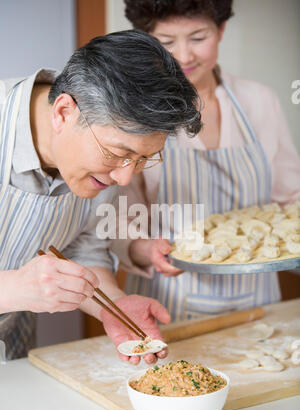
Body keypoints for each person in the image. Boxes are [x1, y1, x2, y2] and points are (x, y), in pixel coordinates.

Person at [0, 30, 201, 361]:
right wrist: (13, 289)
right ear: (64, 112)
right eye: (117, 153)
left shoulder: (102, 163)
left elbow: (84, 248)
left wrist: (114, 305)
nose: (124, 177)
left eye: (141, 160)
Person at [112, 0, 300, 323]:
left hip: (258, 301)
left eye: (198, 38)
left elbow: (292, 197)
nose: (184, 56)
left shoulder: (259, 101)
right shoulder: (134, 112)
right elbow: (117, 220)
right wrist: (145, 250)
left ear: (221, 30)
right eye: (167, 42)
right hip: (168, 298)